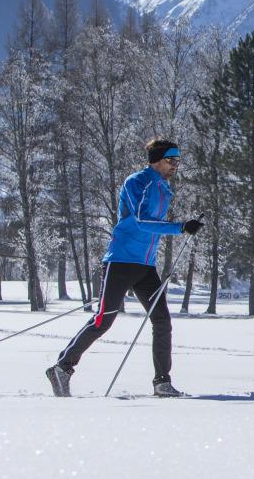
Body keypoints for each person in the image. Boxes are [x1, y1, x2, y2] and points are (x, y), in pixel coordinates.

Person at [46, 139, 205, 397]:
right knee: (103, 320)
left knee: (162, 320)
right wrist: (179, 227)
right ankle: (62, 368)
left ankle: (162, 382)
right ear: (156, 160)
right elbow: (142, 221)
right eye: (171, 161)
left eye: (178, 161)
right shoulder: (138, 182)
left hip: (145, 266)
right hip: (120, 262)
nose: (176, 166)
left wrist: (185, 226)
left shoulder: (164, 187)